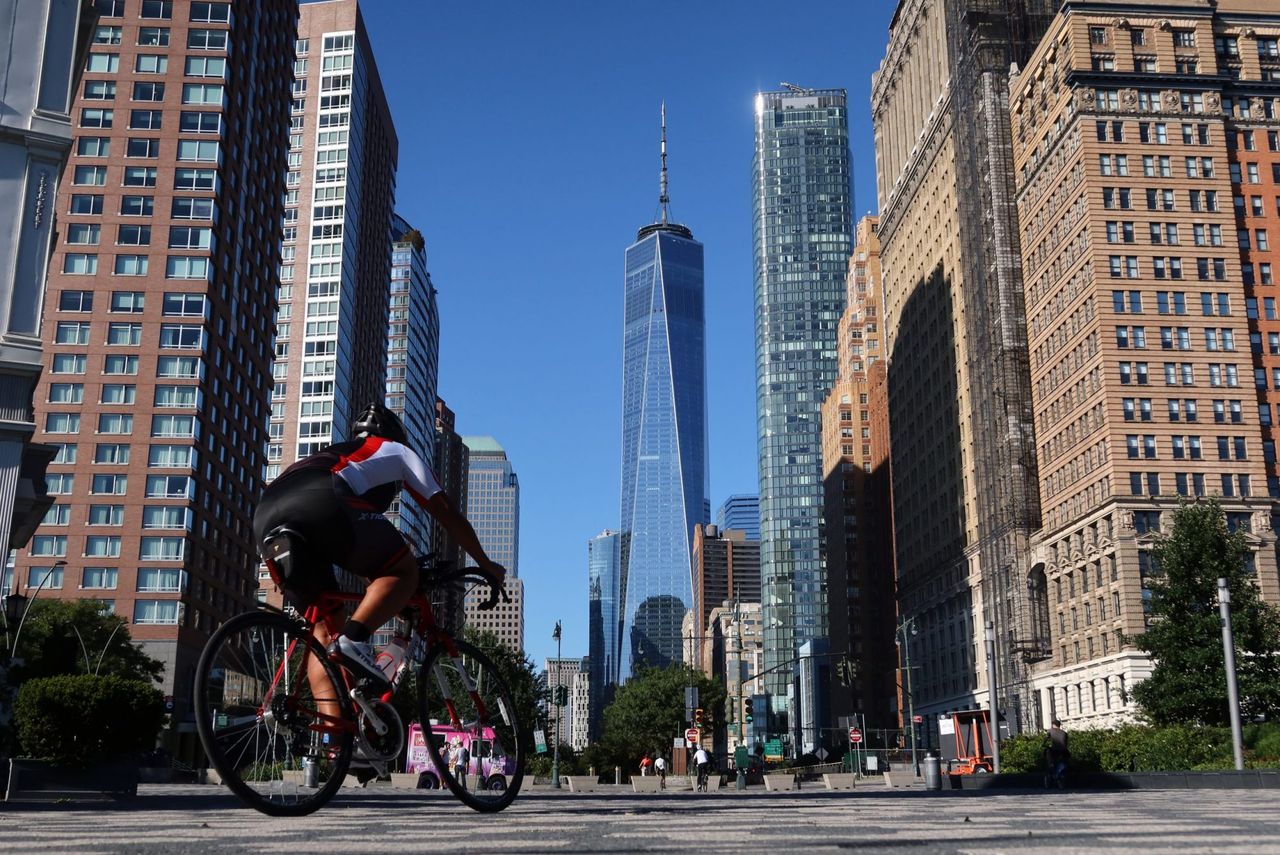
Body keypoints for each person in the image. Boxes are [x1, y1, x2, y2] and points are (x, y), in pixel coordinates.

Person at [253, 402, 506, 691]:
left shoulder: (334, 453)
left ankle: (338, 734)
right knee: (404, 571)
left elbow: (361, 555)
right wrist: (486, 564)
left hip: (266, 514)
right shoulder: (397, 450)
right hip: (323, 496)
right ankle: (354, 639)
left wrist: (390, 597)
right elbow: (444, 509)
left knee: (324, 633)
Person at [1046, 719, 1069, 789]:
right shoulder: (1064, 733)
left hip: (1054, 751)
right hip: (1064, 751)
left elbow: (1046, 739)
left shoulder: (1050, 731)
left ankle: (1051, 764)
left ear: (1053, 725)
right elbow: (1066, 743)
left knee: (1048, 752)